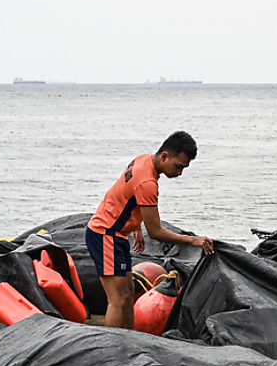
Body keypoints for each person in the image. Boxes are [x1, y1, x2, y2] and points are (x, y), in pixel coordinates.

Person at [86, 130, 214, 328]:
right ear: (165, 156)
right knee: (118, 301)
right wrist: (191, 241)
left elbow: (126, 195)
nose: (179, 173)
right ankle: (112, 349)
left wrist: (136, 227)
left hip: (116, 234)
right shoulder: (148, 183)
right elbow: (155, 232)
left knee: (128, 295)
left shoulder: (143, 159)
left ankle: (129, 341)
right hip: (105, 235)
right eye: (178, 166)